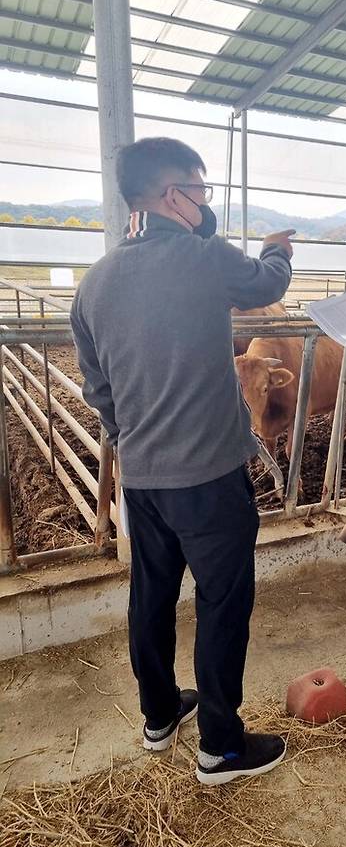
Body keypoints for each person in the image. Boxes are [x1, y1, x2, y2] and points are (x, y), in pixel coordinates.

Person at [70, 137, 295, 785]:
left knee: (152, 595)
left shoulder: (94, 282)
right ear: (174, 194)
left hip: (142, 477)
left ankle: (160, 716)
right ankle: (221, 748)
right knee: (223, 602)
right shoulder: (202, 257)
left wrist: (135, 435)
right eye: (202, 191)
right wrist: (278, 247)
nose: (207, 204)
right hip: (210, 477)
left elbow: (99, 391)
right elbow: (267, 283)